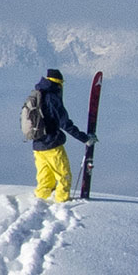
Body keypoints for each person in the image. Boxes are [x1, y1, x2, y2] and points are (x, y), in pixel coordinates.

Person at [31, 69, 96, 202]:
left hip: (38, 145)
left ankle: (40, 202)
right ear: (59, 83)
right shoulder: (52, 97)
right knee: (64, 176)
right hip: (52, 145)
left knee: (45, 179)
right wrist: (85, 138)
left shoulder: (38, 93)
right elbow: (65, 123)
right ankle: (62, 203)